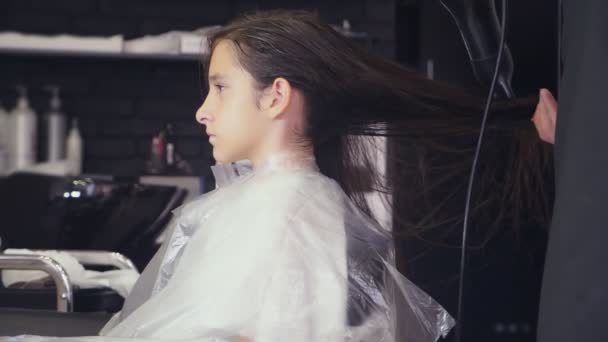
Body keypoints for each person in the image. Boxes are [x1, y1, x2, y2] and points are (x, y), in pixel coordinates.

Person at [2, 9, 555, 342]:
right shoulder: (259, 202)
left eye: (220, 87)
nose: (202, 111)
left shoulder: (292, 212)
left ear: (276, 96)